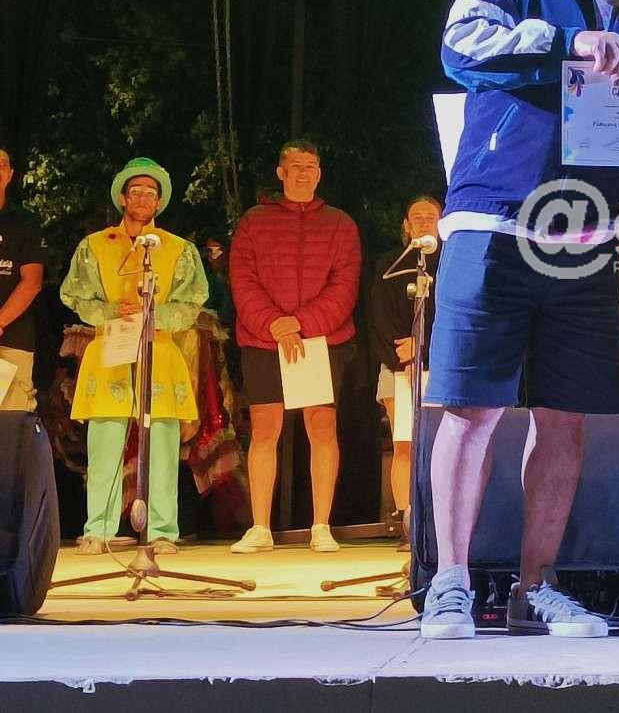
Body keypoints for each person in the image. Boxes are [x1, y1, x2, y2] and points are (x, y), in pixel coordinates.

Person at [421, 0, 619, 639]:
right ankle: (451, 584)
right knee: (471, 409)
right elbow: (459, 46)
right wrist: (565, 43)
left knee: (565, 418)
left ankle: (535, 587)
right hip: (493, 220)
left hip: (588, 237)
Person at [59, 158, 208, 554]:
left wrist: (154, 313)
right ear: (123, 198)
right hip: (112, 345)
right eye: (135, 191)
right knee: (105, 442)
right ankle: (99, 529)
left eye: (150, 192)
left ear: (159, 202)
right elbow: (74, 295)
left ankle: (162, 531)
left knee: (161, 444)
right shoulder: (95, 245)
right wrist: (111, 311)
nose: (142, 197)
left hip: (159, 348)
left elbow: (191, 303)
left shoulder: (179, 249)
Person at [227, 140, 360, 553]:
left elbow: (344, 286)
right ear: (281, 173)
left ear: (319, 173)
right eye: (296, 166)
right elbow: (242, 279)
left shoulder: (340, 224)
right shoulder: (254, 221)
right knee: (264, 429)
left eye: (311, 166)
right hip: (264, 340)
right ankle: (260, 527)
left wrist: (301, 323)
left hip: (319, 339)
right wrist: (274, 324)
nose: (304, 173)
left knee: (321, 428)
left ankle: (321, 525)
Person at [370, 196, 442, 538]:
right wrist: (407, 357)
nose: (424, 221)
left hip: (441, 366)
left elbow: (459, 318)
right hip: (397, 365)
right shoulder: (391, 265)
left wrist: (424, 349)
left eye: (431, 216)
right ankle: (406, 522)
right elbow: (379, 319)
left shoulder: (453, 264)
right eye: (417, 216)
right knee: (404, 443)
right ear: (406, 224)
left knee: (441, 444)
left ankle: (439, 522)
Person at [0, 147, 46, 413]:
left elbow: (32, 282)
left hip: (12, 342)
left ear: (10, 174)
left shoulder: (25, 222)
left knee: (11, 423)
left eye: (2, 165)